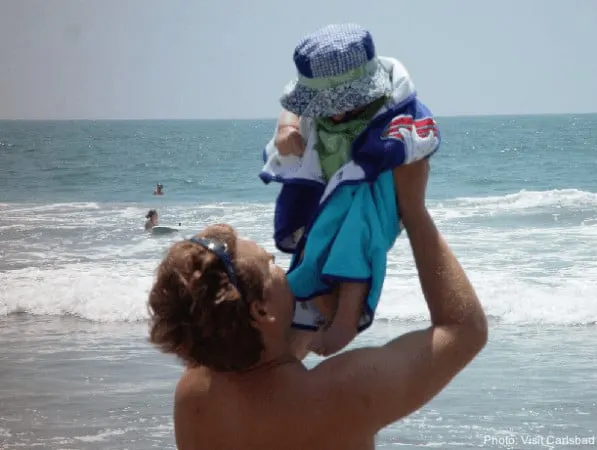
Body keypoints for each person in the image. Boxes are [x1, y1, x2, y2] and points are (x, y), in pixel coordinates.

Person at [147, 159, 487, 450]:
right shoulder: (342, 392)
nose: (281, 264)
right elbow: (464, 329)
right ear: (261, 311)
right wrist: (415, 210)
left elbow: (267, 359)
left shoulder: (193, 397)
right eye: (271, 265)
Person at [259, 23, 441, 357]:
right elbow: (293, 108)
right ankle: (289, 358)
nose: (330, 112)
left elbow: (419, 136)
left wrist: (385, 153)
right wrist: (287, 129)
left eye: (339, 102)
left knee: (354, 234)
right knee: (313, 256)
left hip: (373, 199)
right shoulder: (317, 111)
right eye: (321, 103)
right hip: (328, 201)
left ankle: (346, 319)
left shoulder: (392, 106)